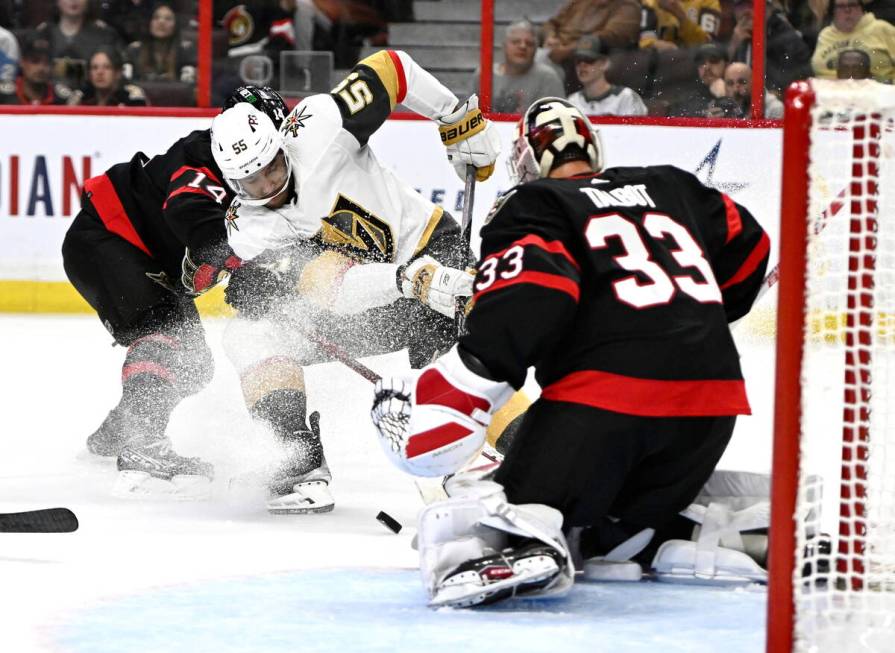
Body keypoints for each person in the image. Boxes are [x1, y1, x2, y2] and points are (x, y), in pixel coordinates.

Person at [371, 97, 770, 607]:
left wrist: (464, 384)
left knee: (516, 510)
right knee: (611, 530)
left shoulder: (537, 203)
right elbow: (750, 245)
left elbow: (532, 296)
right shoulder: (672, 184)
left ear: (527, 158)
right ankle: (668, 532)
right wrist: (695, 316)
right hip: (710, 407)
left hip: (606, 406)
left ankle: (524, 541)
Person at [209, 49, 509, 515]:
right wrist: (407, 281)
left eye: (272, 166)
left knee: (461, 368)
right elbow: (329, 287)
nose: (268, 185)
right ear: (233, 184)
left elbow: (392, 67)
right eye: (252, 182)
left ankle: (531, 448)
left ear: (281, 146)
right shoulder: (249, 227)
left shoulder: (319, 127)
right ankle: (297, 465)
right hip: (375, 294)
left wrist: (455, 117)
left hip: (433, 250)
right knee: (250, 334)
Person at [61, 86, 289, 499]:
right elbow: (189, 209)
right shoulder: (205, 157)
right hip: (108, 239)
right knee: (164, 338)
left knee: (194, 365)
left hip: (147, 261)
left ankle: (122, 428)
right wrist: (238, 269)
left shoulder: (250, 170)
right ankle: (141, 445)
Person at [470, 20, 564, 114]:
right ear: (504, 46)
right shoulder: (483, 74)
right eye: (516, 42)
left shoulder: (548, 78)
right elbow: (469, 116)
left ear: (536, 49)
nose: (523, 46)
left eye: (529, 43)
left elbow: (557, 119)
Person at [35, 0, 122, 89]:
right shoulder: (44, 33)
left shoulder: (104, 35)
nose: (74, 1)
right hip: (48, 98)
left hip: (90, 98)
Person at [812, 0, 895, 82]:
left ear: (861, 8)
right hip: (828, 91)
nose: (847, 10)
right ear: (832, 11)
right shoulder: (825, 34)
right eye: (841, 6)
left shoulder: (882, 29)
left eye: (852, 5)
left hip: (877, 90)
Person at [566, 35, 647, 116]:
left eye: (589, 60)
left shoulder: (626, 97)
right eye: (578, 60)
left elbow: (638, 128)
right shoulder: (572, 101)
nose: (582, 65)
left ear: (605, 63)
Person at [124, 1, 196, 83]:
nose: (161, 22)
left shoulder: (185, 51)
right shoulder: (134, 50)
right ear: (149, 23)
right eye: (156, 18)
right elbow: (127, 83)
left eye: (168, 19)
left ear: (175, 25)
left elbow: (187, 86)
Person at [0, 32, 73, 105]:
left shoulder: (63, 99)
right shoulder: (4, 95)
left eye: (47, 63)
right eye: (35, 61)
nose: (41, 68)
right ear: (22, 62)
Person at [69, 46, 148, 105]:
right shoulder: (82, 96)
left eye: (107, 67)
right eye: (94, 68)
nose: (99, 72)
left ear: (118, 72)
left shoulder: (132, 98)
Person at [667, 42, 726, 116]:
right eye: (701, 62)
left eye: (713, 60)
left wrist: (725, 97)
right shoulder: (686, 98)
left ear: (726, 64)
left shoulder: (736, 89)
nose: (706, 67)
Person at [639, 0, 721, 50]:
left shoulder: (709, 2)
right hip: (658, 64)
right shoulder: (649, 3)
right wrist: (655, 44)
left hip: (695, 65)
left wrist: (681, 16)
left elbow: (707, 45)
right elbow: (642, 42)